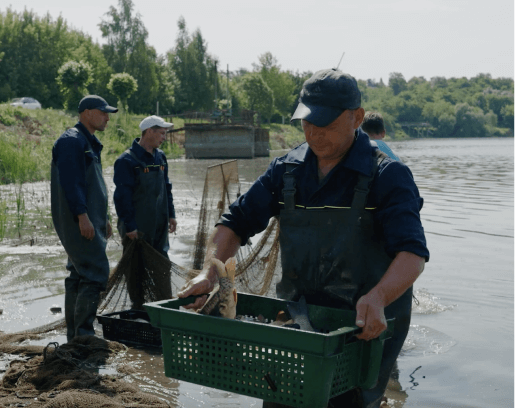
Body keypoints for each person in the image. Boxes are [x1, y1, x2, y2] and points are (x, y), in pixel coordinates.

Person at [178, 68, 429, 408]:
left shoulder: (388, 175)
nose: (314, 133)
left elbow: (412, 254)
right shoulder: (286, 170)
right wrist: (211, 274)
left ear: (356, 117)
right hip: (296, 322)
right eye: (307, 123)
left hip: (360, 328)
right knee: (282, 398)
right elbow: (234, 223)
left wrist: (379, 297)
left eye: (325, 124)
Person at [51, 95, 118, 342]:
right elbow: (72, 183)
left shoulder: (88, 141)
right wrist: (82, 216)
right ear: (87, 113)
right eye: (103, 112)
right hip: (78, 219)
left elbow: (95, 187)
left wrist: (103, 218)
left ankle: (75, 336)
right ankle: (84, 336)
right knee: (95, 271)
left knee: (78, 273)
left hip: (91, 219)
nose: (107, 117)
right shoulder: (71, 141)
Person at [113, 115, 177, 285]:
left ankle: (162, 306)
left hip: (159, 226)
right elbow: (121, 197)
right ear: (149, 132)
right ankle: (138, 308)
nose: (164, 138)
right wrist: (130, 226)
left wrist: (172, 215)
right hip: (137, 229)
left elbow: (167, 188)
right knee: (136, 272)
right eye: (161, 133)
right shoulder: (126, 160)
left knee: (162, 269)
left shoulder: (161, 157)